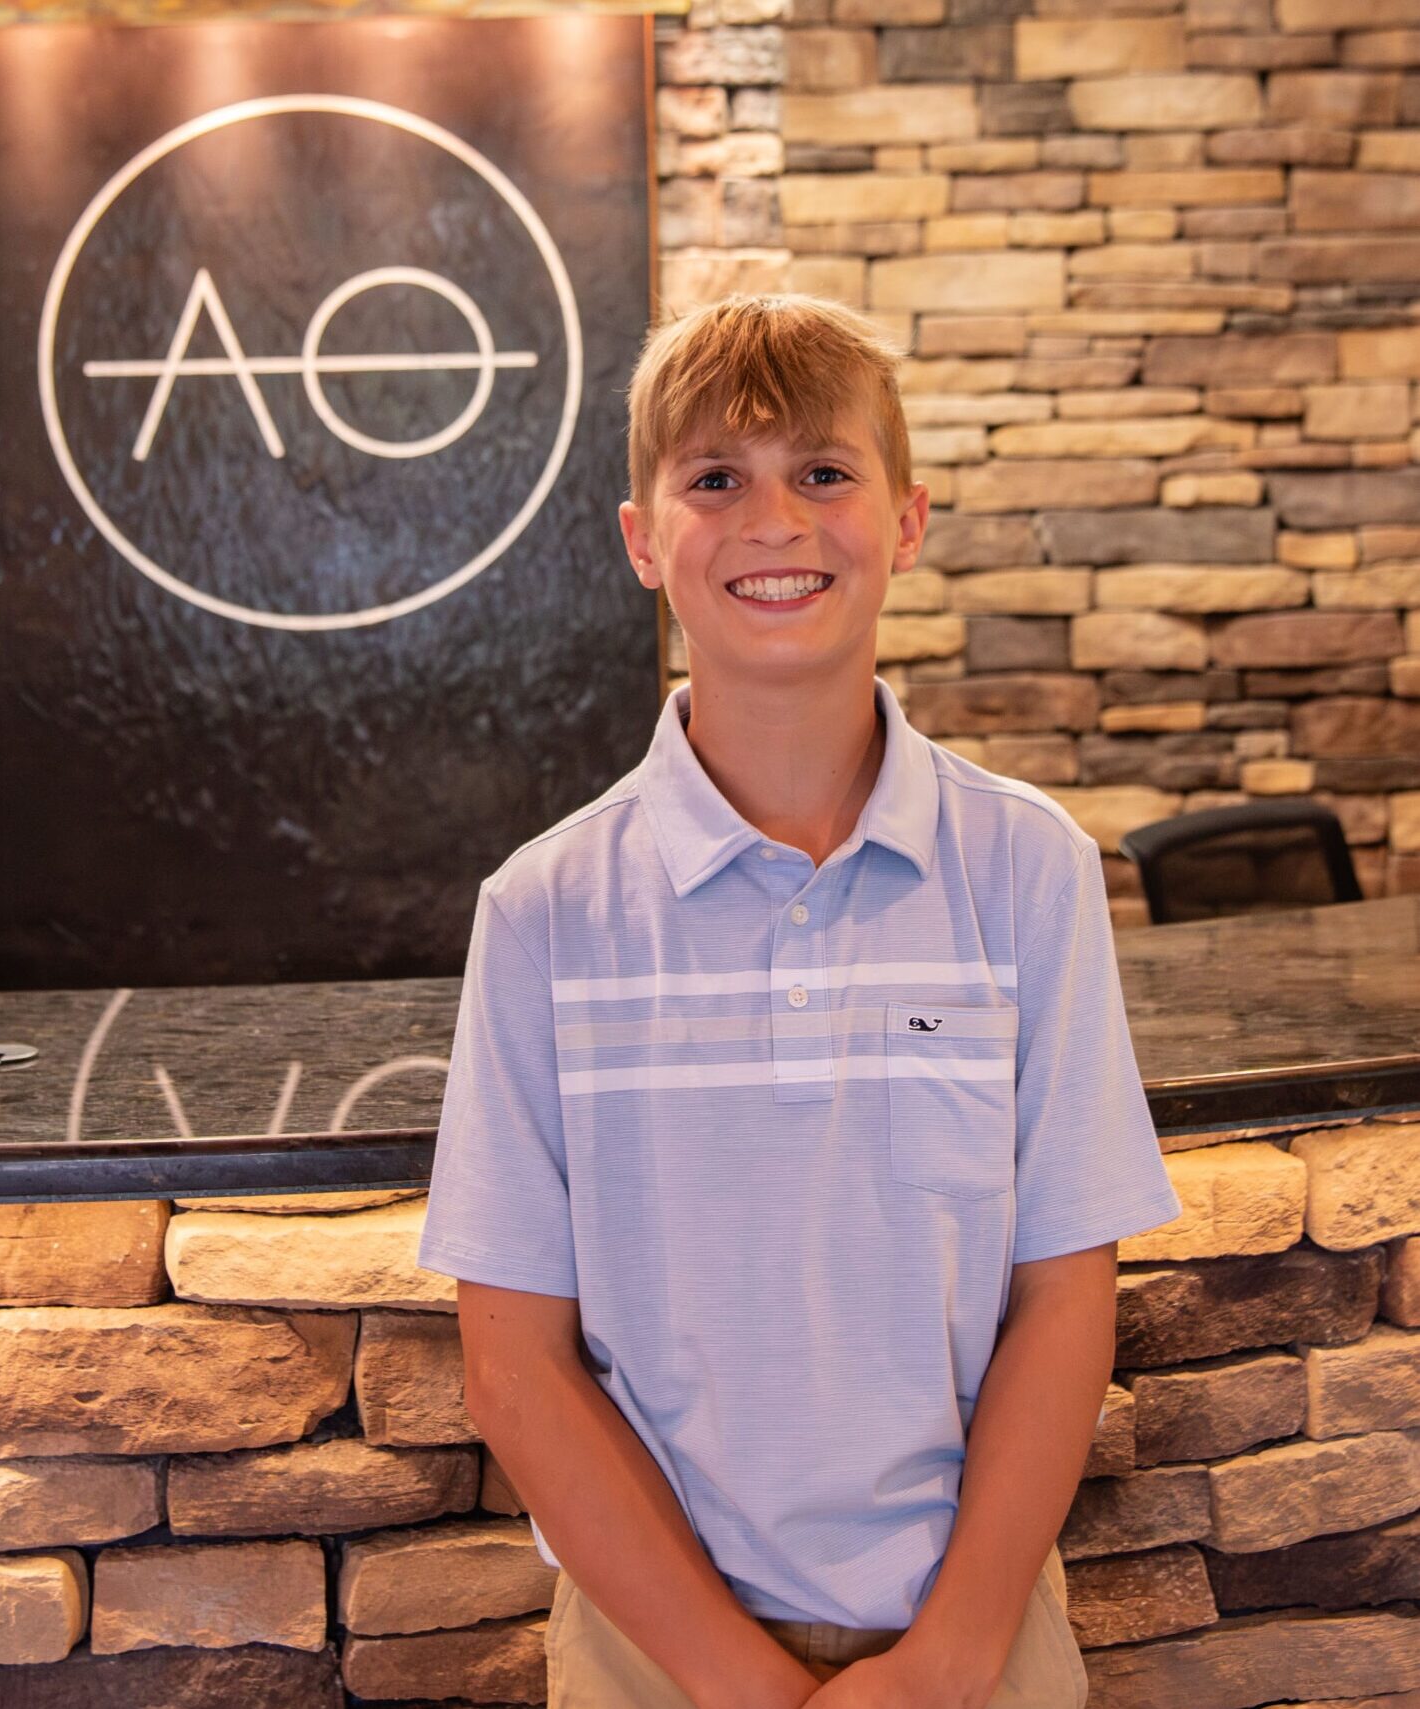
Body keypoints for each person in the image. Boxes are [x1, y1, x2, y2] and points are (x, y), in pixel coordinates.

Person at [414, 292, 1183, 1709]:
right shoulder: (544, 911)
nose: (773, 518)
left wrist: (944, 1660)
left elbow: (1064, 1294)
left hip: (976, 1640)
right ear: (644, 540)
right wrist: (745, 1688)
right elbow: (515, 1367)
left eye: (822, 472)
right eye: (715, 478)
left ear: (904, 520)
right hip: (654, 1655)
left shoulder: (1025, 869)